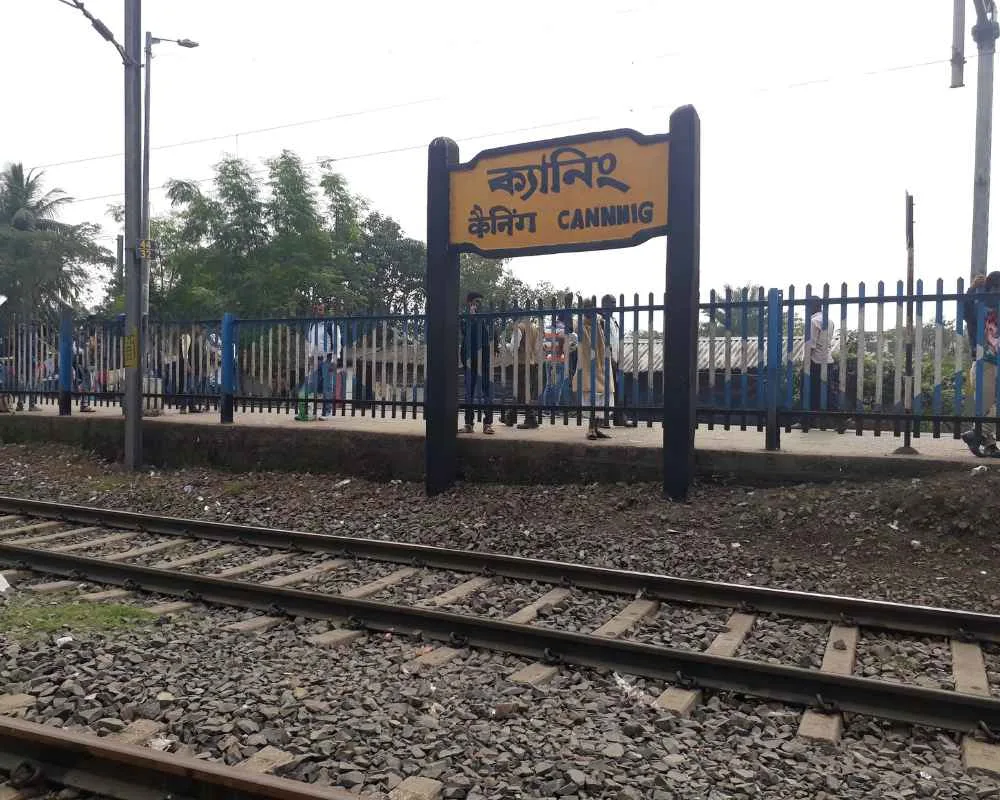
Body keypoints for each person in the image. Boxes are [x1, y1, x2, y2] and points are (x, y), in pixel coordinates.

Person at [962, 271, 1000, 457]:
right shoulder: (978, 305)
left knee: (989, 407)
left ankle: (985, 441)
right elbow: (965, 309)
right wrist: (972, 289)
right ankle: (981, 436)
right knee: (987, 406)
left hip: (994, 362)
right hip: (983, 362)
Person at [797, 297, 845, 433]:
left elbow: (810, 345)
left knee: (807, 391)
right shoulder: (829, 321)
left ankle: (808, 421)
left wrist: (804, 364)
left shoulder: (813, 321)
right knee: (826, 391)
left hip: (814, 362)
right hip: (827, 360)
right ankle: (836, 420)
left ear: (812, 307)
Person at [572, 299, 612, 440]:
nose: (591, 310)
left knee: (602, 396)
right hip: (588, 365)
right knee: (591, 396)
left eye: (592, 308)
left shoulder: (599, 322)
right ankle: (590, 429)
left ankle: (596, 428)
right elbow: (579, 335)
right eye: (588, 308)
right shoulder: (580, 324)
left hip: (602, 363)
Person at [460, 292, 494, 434]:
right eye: (475, 301)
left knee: (487, 392)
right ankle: (469, 424)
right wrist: (472, 318)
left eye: (480, 302)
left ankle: (488, 424)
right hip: (469, 361)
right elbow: (465, 334)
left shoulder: (485, 319)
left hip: (484, 360)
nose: (478, 304)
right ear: (469, 303)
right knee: (469, 392)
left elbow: (490, 335)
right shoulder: (464, 319)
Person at [503, 316, 542, 429]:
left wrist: (505, 345)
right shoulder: (535, 328)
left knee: (522, 392)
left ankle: (530, 419)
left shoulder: (519, 328)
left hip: (520, 363)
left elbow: (514, 347)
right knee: (521, 391)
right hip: (531, 362)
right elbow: (537, 347)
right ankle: (510, 417)